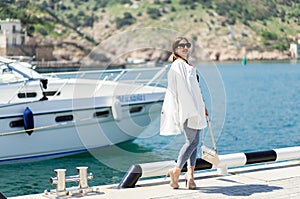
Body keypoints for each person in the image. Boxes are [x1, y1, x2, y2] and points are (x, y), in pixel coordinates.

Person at [160, 37, 208, 189]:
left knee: (195, 142)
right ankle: (176, 171)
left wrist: (202, 106)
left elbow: (195, 89)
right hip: (188, 108)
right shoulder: (178, 65)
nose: (185, 47)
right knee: (191, 141)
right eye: (181, 46)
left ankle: (190, 176)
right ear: (175, 49)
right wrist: (192, 110)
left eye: (187, 45)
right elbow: (182, 91)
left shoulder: (186, 65)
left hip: (196, 107)